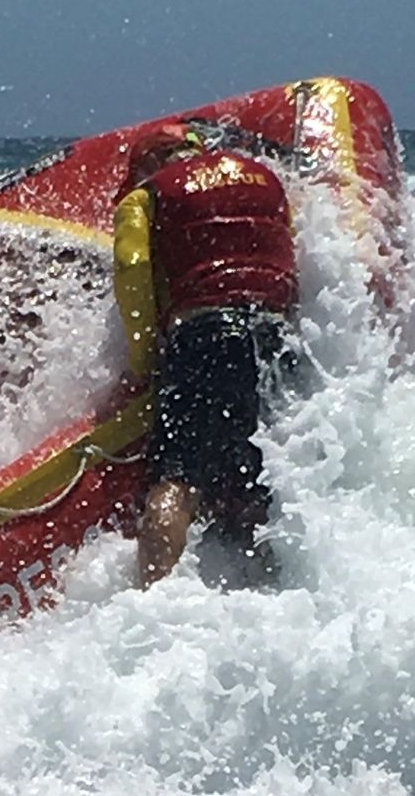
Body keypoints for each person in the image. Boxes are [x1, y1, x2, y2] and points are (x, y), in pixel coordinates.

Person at [112, 122, 301, 585]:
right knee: (258, 479)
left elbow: (131, 269)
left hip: (207, 337)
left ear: (153, 164)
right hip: (277, 342)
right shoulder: (268, 180)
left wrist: (143, 363)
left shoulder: (146, 197)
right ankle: (279, 592)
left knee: (177, 477)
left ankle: (151, 604)